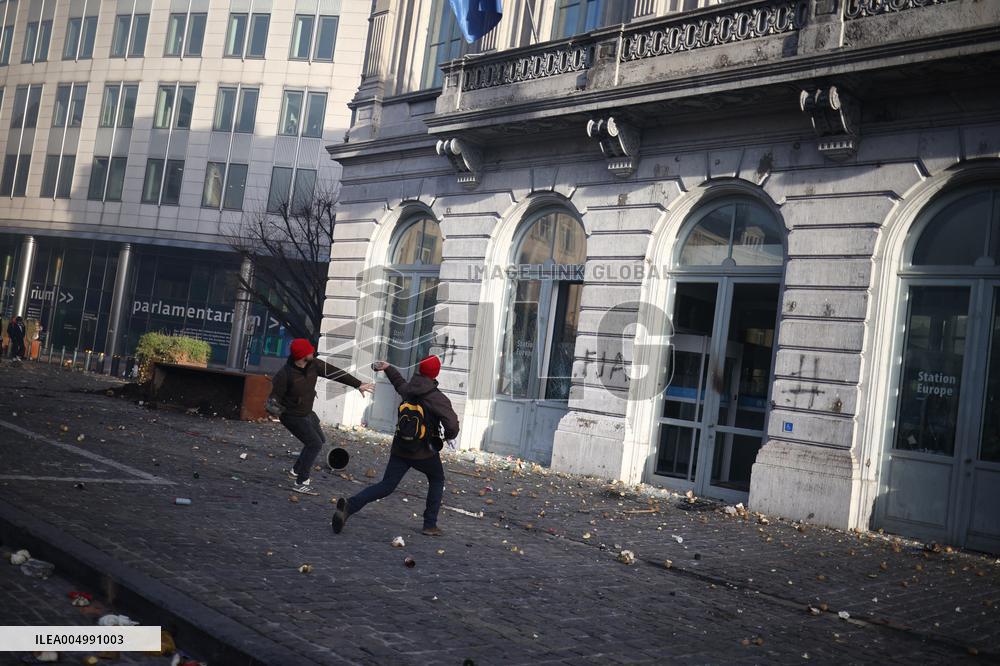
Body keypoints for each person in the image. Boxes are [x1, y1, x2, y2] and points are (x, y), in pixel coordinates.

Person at [332, 354, 459, 536]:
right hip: (424, 452)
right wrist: (448, 436)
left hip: (401, 448)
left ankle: (349, 507)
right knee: (437, 479)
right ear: (436, 373)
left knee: (386, 486)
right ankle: (430, 524)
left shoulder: (409, 389)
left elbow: (398, 383)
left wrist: (388, 368)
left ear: (420, 370)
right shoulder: (437, 398)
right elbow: (452, 424)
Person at [269, 338, 374, 495]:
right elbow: (273, 400)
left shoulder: (314, 364)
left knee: (319, 440)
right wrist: (275, 411)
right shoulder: (285, 375)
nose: (313, 351)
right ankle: (301, 482)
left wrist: (358, 384)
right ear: (303, 356)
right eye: (310, 351)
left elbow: (335, 373)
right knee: (314, 444)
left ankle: (296, 471)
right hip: (291, 416)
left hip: (307, 413)